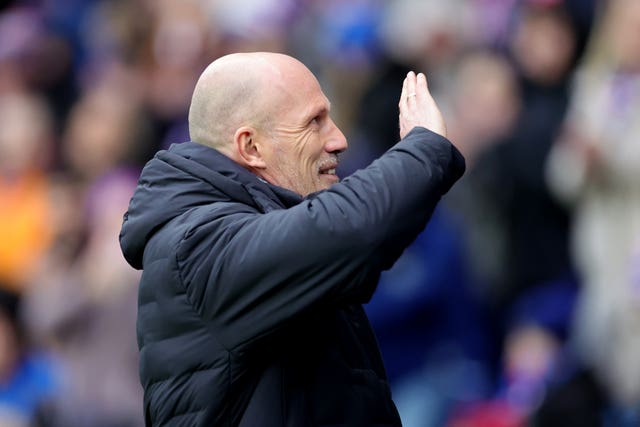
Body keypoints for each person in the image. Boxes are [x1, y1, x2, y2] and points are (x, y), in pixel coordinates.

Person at [119, 52, 465, 426]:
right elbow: (348, 232)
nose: (339, 140)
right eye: (314, 122)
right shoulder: (196, 245)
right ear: (251, 147)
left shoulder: (246, 228)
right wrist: (424, 149)